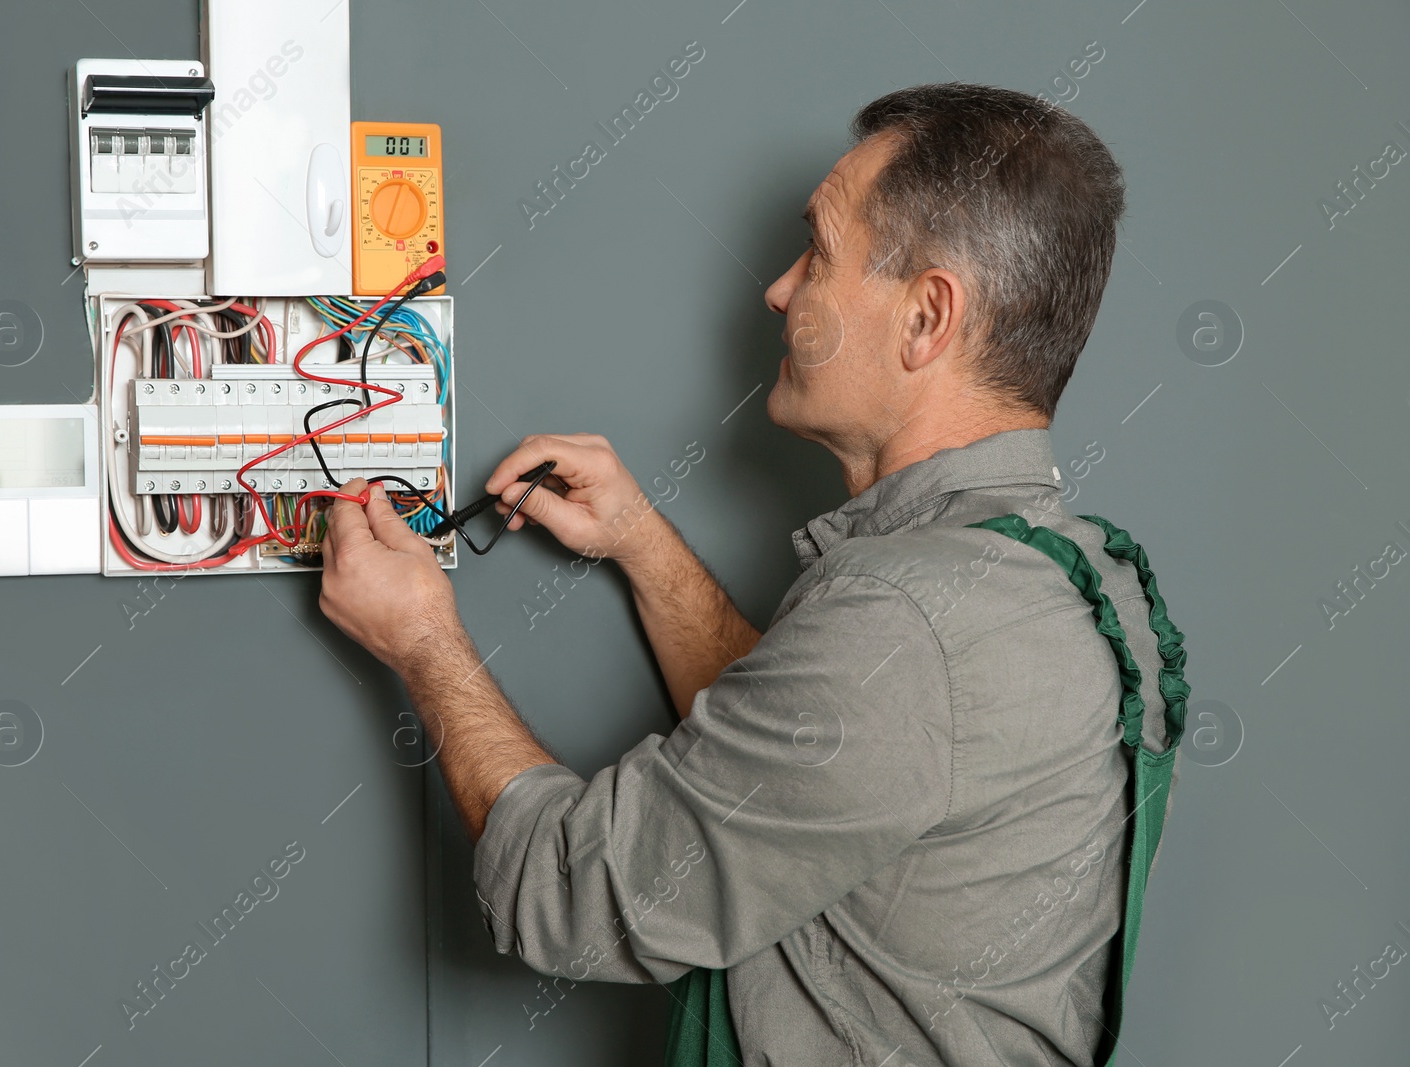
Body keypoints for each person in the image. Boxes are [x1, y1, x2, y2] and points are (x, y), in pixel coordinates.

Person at [318, 83, 1186, 1067]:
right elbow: (811, 777)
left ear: (925, 317)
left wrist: (422, 637)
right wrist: (643, 544)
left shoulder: (904, 629)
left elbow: (568, 895)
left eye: (817, 251)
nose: (779, 290)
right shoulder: (1074, 576)